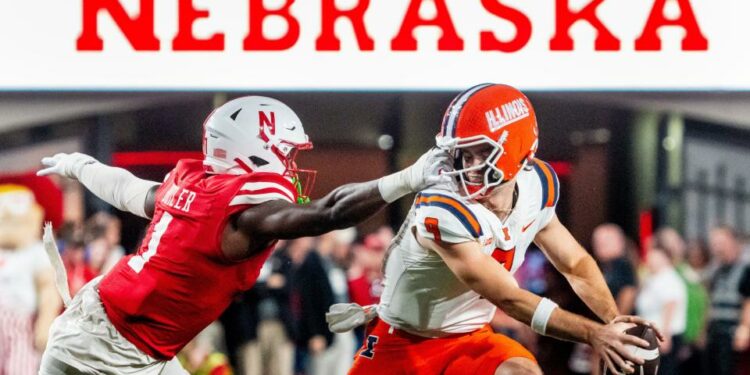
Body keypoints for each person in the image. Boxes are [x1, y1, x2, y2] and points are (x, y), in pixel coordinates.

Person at [36, 96, 450, 374]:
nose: (290, 165)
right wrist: (410, 177)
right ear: (256, 149)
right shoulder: (244, 213)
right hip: (109, 348)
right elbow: (331, 211)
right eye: (287, 153)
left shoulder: (195, 187)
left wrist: (80, 166)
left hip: (118, 332)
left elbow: (128, 190)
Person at [332, 84, 660, 375]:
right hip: (402, 343)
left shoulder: (536, 186)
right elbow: (508, 297)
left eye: (483, 152)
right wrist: (593, 333)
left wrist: (615, 322)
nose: (470, 166)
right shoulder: (442, 208)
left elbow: (574, 264)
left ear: (519, 150)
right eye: (464, 153)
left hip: (470, 338)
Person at [0, 184, 62, 375]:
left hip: (20, 323)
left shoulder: (36, 252)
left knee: (20, 366)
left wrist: (45, 323)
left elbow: (48, 288)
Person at [704, 226, 750, 375]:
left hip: (732, 332)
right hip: (715, 332)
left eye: (720, 242)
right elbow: (710, 301)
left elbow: (748, 301)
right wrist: (704, 330)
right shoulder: (717, 270)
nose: (717, 247)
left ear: (732, 242)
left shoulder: (745, 269)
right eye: (714, 243)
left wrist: (745, 328)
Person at [635, 245, 687, 375]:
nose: (650, 259)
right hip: (650, 334)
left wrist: (665, 335)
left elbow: (670, 305)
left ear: (665, 258)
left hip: (663, 334)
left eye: (654, 256)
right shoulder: (653, 278)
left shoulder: (668, 278)